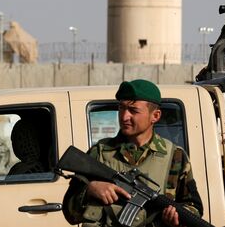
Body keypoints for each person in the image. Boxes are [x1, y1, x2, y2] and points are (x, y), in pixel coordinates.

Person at [62, 79, 203, 227]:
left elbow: (194, 208)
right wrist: (90, 190)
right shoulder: (100, 153)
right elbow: (69, 213)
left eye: (133, 111)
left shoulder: (175, 156)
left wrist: (176, 219)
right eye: (121, 108)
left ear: (155, 116)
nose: (124, 117)